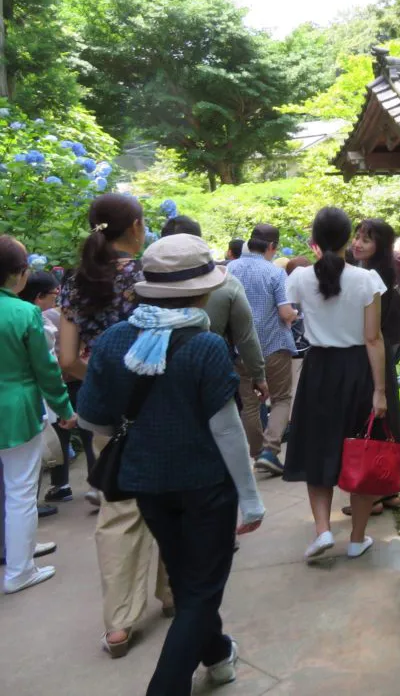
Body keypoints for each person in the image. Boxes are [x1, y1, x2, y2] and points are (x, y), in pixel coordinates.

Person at [78, 234, 265, 693]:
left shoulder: (113, 341)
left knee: (186, 578)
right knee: (201, 588)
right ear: (204, 291)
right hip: (206, 486)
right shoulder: (205, 346)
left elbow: (91, 419)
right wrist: (251, 498)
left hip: (147, 483)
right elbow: (226, 429)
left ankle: (217, 653)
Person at [57, 193, 170, 657]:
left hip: (104, 412)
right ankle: (173, 593)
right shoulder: (146, 276)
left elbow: (66, 359)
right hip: (156, 406)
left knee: (119, 508)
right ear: (138, 227)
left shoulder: (73, 282)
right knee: (168, 495)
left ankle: (119, 623)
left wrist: (104, 378)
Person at [283, 207, 387, 561]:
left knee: (318, 448)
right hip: (357, 369)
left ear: (315, 240)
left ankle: (323, 530)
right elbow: (374, 339)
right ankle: (357, 539)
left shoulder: (297, 278)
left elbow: (288, 313)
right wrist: (380, 390)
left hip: (318, 370)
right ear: (347, 240)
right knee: (363, 450)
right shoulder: (367, 281)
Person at [0, 236, 76, 594]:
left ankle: (22, 550)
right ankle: (19, 569)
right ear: (18, 275)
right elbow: (46, 370)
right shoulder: (23, 312)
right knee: (20, 491)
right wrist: (65, 409)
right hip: (15, 413)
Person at [160, 216, 268, 407]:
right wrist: (258, 375)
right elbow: (246, 337)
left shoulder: (143, 282)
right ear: (199, 242)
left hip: (156, 376)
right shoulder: (225, 282)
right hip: (212, 373)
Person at [342, 220, 400, 518]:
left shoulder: (369, 277)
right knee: (388, 417)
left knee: (370, 418)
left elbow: (369, 329)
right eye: (356, 237)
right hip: (383, 352)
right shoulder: (384, 272)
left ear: (379, 245)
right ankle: (389, 490)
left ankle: (373, 495)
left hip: (371, 354)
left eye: (365, 240)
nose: (357, 243)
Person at [227, 224, 297, 476]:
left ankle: (258, 454)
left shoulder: (230, 269)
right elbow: (285, 312)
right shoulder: (274, 273)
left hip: (240, 349)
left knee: (249, 403)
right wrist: (296, 314)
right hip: (273, 346)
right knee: (281, 398)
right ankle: (269, 451)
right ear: (272, 247)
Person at [18, 271, 81, 510]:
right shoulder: (31, 316)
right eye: (54, 294)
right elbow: (47, 366)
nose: (57, 297)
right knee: (22, 479)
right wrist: (64, 407)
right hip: (29, 398)